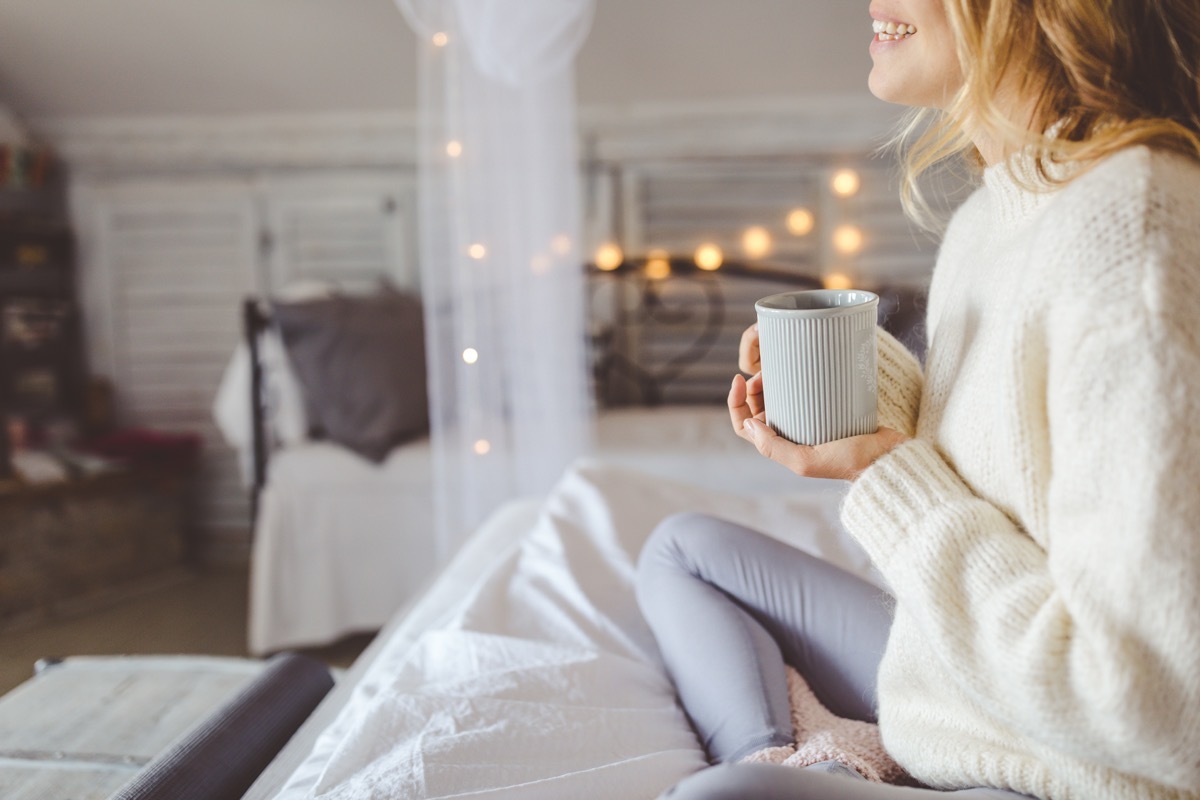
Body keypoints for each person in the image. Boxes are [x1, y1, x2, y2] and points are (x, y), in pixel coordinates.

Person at [635, 1, 1200, 798]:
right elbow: (1008, 463)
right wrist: (870, 385)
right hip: (967, 691)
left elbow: (1158, 708)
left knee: (715, 799)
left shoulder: (1134, 226)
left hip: (1061, 772)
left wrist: (891, 476)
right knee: (681, 550)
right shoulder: (990, 218)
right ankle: (805, 759)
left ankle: (802, 769)